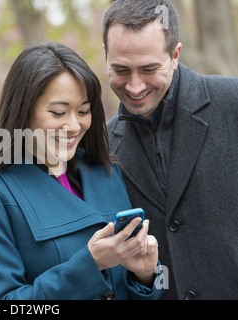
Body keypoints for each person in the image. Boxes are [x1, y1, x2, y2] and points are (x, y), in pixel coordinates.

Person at [0, 42, 164, 300]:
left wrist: (146, 277)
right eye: (58, 112)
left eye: (83, 111)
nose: (73, 125)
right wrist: (90, 265)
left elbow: (135, 289)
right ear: (23, 112)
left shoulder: (107, 173)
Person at [103, 0, 238, 300]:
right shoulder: (102, 146)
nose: (135, 87)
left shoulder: (233, 103)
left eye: (149, 69)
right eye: (121, 70)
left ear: (175, 55)